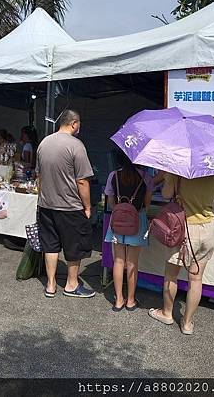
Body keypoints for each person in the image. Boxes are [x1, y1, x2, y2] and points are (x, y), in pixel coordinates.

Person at [149, 173, 214, 335]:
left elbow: (165, 194)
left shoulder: (177, 174)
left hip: (183, 229)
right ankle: (187, 323)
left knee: (171, 275)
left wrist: (169, 178)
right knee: (196, 279)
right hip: (209, 229)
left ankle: (167, 313)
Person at [37, 109, 95, 299]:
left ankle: (51, 285)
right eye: (79, 124)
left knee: (50, 245)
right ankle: (71, 284)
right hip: (70, 206)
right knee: (74, 245)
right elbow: (83, 181)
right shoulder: (76, 146)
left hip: (45, 205)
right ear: (74, 123)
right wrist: (87, 207)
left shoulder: (44, 143)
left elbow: (40, 176)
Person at [104, 151, 152, 312]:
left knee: (118, 261)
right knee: (132, 262)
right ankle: (130, 300)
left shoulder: (113, 176)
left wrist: (120, 209)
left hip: (117, 222)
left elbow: (110, 202)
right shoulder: (145, 177)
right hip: (137, 221)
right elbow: (147, 204)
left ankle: (118, 300)